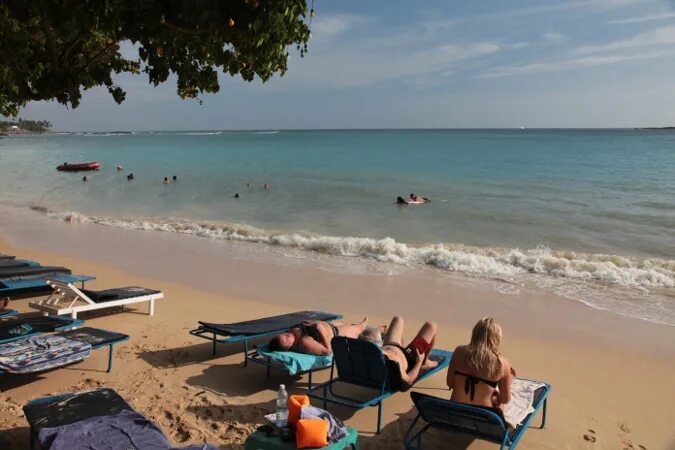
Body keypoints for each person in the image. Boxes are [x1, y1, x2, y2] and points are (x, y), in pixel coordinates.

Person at [446, 318, 515, 410]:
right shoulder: (502, 363)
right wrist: (509, 381)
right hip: (484, 418)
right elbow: (505, 400)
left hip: (455, 412)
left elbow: (450, 383)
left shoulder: (459, 351)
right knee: (500, 405)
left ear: (475, 333)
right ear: (496, 338)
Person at [381, 316, 439, 389]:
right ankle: (425, 362)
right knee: (431, 326)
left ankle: (403, 348)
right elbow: (408, 380)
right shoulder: (393, 365)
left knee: (398, 319)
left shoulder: (370, 353)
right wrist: (419, 362)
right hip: (409, 356)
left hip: (390, 346)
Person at [268, 318, 369, 356]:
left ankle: (381, 330)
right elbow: (328, 351)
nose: (287, 335)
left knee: (354, 325)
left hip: (332, 326)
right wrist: (321, 331)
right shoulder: (304, 343)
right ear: (287, 348)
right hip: (338, 334)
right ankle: (378, 330)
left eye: (283, 335)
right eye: (286, 339)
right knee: (361, 327)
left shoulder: (292, 335)